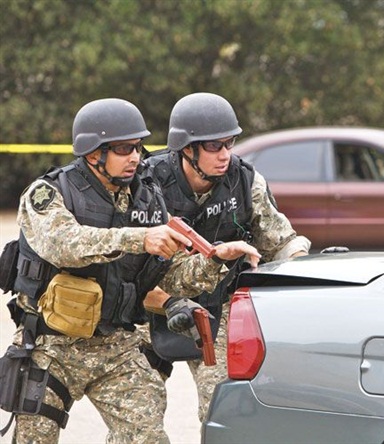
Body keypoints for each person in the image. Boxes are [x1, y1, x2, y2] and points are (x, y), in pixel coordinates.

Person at [1, 98, 260, 443]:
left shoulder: (147, 198)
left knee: (147, 437)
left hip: (115, 346)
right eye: (123, 149)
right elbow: (64, 244)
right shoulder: (49, 194)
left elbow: (169, 275)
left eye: (138, 148)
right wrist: (139, 239)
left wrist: (217, 260)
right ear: (93, 153)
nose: (136, 158)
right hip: (51, 345)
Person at [141, 92, 311, 422]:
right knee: (138, 426)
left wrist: (301, 263)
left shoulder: (245, 181)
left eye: (229, 143)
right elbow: (117, 264)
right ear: (187, 149)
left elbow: (282, 241)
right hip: (148, 311)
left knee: (223, 414)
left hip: (213, 311)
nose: (225, 154)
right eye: (214, 146)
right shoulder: (144, 184)